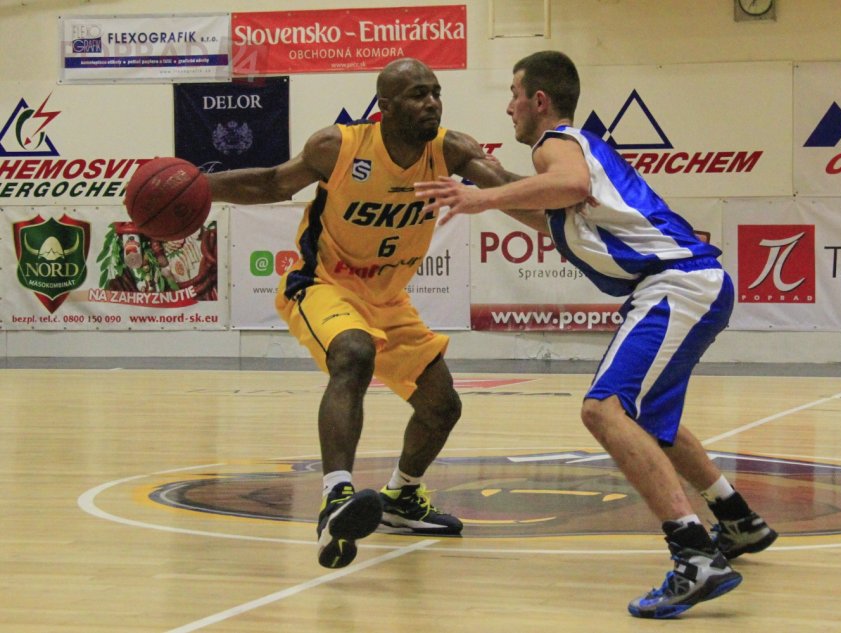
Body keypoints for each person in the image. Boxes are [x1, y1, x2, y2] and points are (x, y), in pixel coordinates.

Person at [415, 51, 778, 619]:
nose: (508, 106)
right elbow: (552, 214)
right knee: (645, 421)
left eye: (514, 93)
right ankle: (736, 519)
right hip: (693, 283)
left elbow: (568, 183)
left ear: (539, 100)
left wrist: (482, 196)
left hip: (676, 283)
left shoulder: (555, 143)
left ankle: (694, 556)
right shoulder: (572, 155)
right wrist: (485, 190)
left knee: (602, 410)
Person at [208, 58, 515, 570]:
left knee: (442, 406)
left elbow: (505, 187)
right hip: (323, 284)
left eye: (436, 92)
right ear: (385, 107)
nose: (432, 103)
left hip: (387, 298)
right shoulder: (339, 147)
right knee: (353, 353)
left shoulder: (451, 150)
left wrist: (574, 197)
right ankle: (335, 497)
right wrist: (202, 188)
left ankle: (401, 497)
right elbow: (271, 183)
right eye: (418, 94)